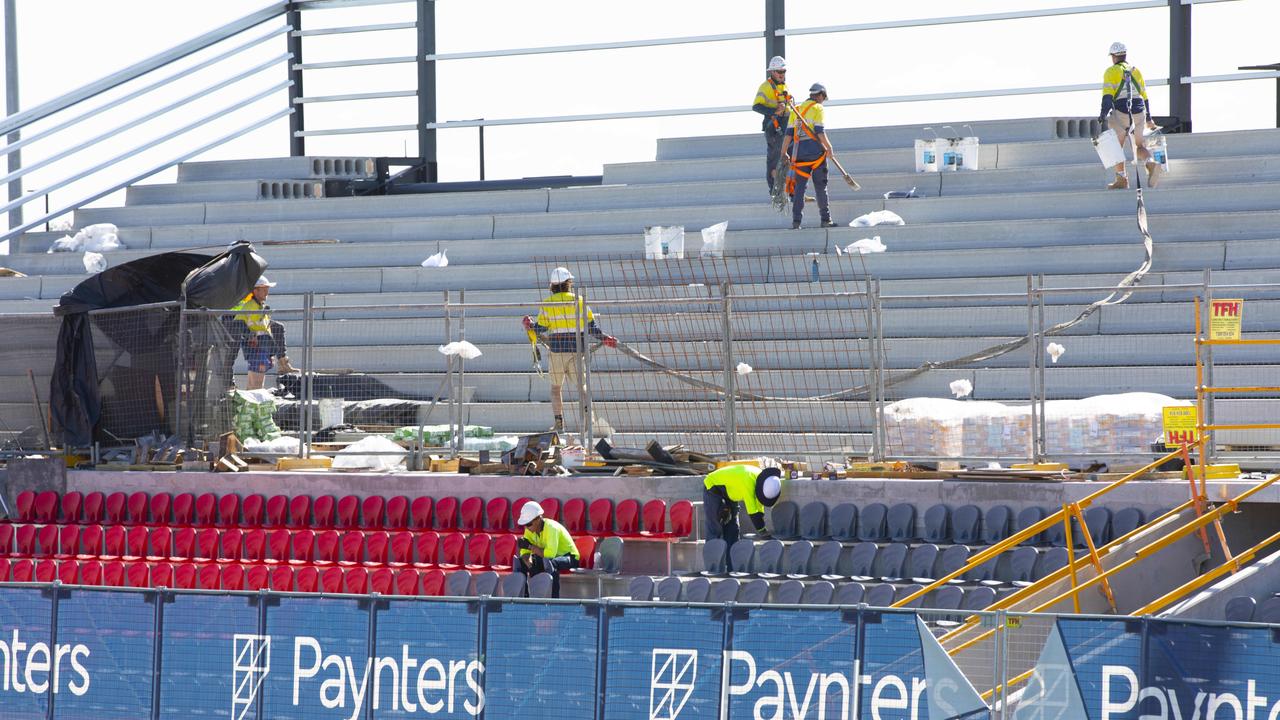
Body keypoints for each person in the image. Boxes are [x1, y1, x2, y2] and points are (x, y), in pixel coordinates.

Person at [522, 267, 616, 434]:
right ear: (568, 283)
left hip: (557, 352)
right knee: (582, 388)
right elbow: (591, 328)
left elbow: (541, 328)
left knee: (556, 389)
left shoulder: (548, 303)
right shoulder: (579, 301)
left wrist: (529, 325)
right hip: (576, 351)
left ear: (552, 285)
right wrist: (605, 338)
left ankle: (559, 424)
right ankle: (590, 422)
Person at [1099, 41, 1163, 190]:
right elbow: (1144, 96)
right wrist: (1148, 118)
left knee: (1115, 147)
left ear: (1113, 57)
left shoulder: (1111, 72)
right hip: (1139, 111)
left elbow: (1108, 96)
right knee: (1139, 145)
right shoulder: (1136, 71)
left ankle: (1122, 179)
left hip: (1121, 112)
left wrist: (1102, 113)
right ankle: (1150, 161)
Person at [779, 83, 839, 229]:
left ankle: (796, 222)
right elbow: (819, 131)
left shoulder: (797, 109)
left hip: (799, 156)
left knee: (799, 188)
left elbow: (788, 135)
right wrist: (829, 147)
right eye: (823, 98)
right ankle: (826, 219)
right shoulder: (818, 108)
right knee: (820, 187)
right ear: (820, 95)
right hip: (816, 154)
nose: (823, 101)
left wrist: (783, 152)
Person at [229, 276, 295, 390]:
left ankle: (283, 362)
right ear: (255, 291)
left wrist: (270, 352)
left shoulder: (261, 307)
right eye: (264, 289)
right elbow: (238, 323)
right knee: (256, 387)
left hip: (261, 349)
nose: (267, 292)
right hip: (256, 349)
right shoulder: (250, 306)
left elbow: (265, 328)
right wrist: (249, 335)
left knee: (255, 386)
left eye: (267, 289)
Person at [702, 464, 783, 546]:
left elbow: (759, 507)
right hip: (713, 486)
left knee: (732, 526)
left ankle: (731, 556)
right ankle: (712, 556)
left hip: (730, 488)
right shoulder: (748, 482)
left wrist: (763, 530)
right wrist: (762, 531)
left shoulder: (761, 479)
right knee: (715, 525)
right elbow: (753, 512)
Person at [514, 500, 580, 598]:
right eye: (525, 525)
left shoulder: (551, 528)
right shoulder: (529, 529)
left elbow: (550, 554)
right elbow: (524, 551)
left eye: (528, 524)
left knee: (551, 563)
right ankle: (525, 599)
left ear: (538, 519)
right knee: (520, 563)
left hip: (569, 557)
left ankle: (554, 601)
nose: (527, 528)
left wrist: (530, 547)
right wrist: (528, 562)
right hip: (546, 558)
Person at [753, 55, 790, 194]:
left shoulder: (784, 86)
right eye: (779, 72)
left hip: (785, 125)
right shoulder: (766, 87)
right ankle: (773, 189)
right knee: (774, 158)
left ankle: (788, 188)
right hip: (773, 127)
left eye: (783, 71)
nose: (782, 74)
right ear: (772, 72)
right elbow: (756, 106)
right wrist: (774, 111)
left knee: (788, 156)